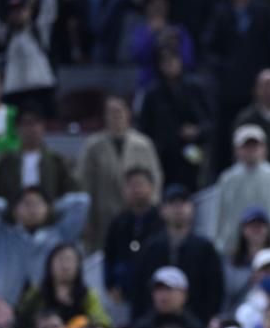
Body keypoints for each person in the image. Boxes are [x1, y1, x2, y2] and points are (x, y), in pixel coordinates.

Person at [203, 0, 270, 176]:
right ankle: (222, 178)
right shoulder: (220, 13)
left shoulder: (264, 11)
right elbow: (209, 50)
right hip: (230, 92)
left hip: (260, 89)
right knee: (226, 136)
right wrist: (227, 71)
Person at [0, 188, 90, 307]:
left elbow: (82, 202)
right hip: (0, 306)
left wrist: (52, 207)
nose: (32, 209)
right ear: (15, 209)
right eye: (26, 204)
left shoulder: (59, 234)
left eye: (38, 204)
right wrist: (8, 206)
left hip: (44, 308)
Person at [130, 184, 223, 325]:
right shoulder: (151, 248)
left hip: (196, 322)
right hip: (155, 324)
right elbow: (139, 289)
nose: (178, 209)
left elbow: (214, 290)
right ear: (162, 210)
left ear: (192, 209)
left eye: (183, 203)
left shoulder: (205, 248)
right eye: (173, 203)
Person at [77, 96, 162, 250]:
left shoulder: (143, 144)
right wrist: (85, 219)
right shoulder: (93, 146)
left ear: (128, 113)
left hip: (139, 213)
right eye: (112, 112)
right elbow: (84, 184)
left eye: (120, 111)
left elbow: (156, 179)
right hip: (104, 214)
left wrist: (154, 211)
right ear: (105, 116)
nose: (117, 115)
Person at [215, 124, 270, 255]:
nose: (251, 150)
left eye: (255, 145)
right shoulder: (227, 179)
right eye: (246, 146)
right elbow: (218, 214)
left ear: (264, 148)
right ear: (236, 150)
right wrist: (219, 243)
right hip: (234, 250)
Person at [138, 47, 212, 192]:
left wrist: (197, 131)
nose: (170, 65)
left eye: (173, 60)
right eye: (165, 62)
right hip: (164, 157)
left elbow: (209, 122)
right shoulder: (152, 94)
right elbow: (145, 126)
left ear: (180, 62)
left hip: (192, 152)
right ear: (159, 65)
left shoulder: (195, 89)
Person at [16, 244, 112, 328]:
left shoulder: (87, 295)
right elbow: (20, 323)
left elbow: (102, 321)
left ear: (78, 265)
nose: (65, 266)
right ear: (50, 264)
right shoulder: (36, 294)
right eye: (60, 260)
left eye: (70, 260)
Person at [0, 109, 79, 204]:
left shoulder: (56, 160)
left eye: (37, 124)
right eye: (27, 124)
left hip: (49, 211)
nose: (33, 129)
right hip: (12, 211)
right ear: (17, 129)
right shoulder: (6, 161)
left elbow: (73, 191)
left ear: (43, 128)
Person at [103, 167, 165, 303]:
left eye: (140, 184)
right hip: (126, 290)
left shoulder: (162, 219)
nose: (136, 190)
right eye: (131, 185)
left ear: (152, 187)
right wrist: (110, 284)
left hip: (156, 287)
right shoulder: (118, 221)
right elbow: (109, 255)